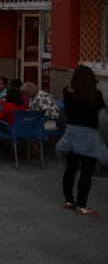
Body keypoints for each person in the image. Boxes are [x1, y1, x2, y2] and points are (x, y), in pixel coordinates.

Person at [57, 65, 108, 215]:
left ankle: (68, 200)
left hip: (72, 134)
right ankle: (82, 205)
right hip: (90, 137)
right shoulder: (97, 95)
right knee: (86, 172)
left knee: (70, 169)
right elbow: (99, 107)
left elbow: (70, 98)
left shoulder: (67, 92)